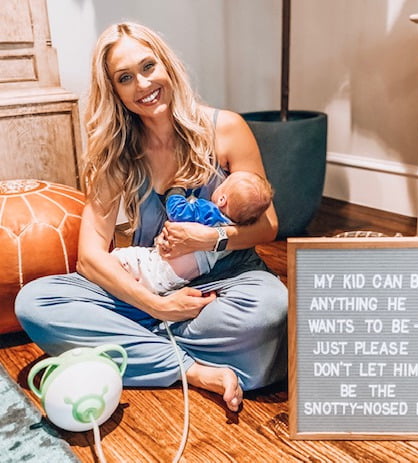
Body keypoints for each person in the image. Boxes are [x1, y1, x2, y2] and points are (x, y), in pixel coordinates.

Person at [15, 22, 287, 413]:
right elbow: (89, 257)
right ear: (115, 91)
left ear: (167, 65)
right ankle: (190, 368)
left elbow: (268, 226)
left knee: (272, 309)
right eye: (125, 78)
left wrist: (207, 239)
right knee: (35, 302)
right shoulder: (116, 152)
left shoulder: (226, 128)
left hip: (228, 279)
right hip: (150, 282)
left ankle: (130, 344)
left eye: (148, 66)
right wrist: (156, 305)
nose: (143, 84)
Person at [112, 170, 274, 294]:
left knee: (120, 257)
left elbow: (177, 212)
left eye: (223, 184)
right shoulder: (234, 229)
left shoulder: (208, 211)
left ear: (222, 200)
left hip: (164, 265)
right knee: (149, 280)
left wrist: (176, 189)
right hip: (182, 278)